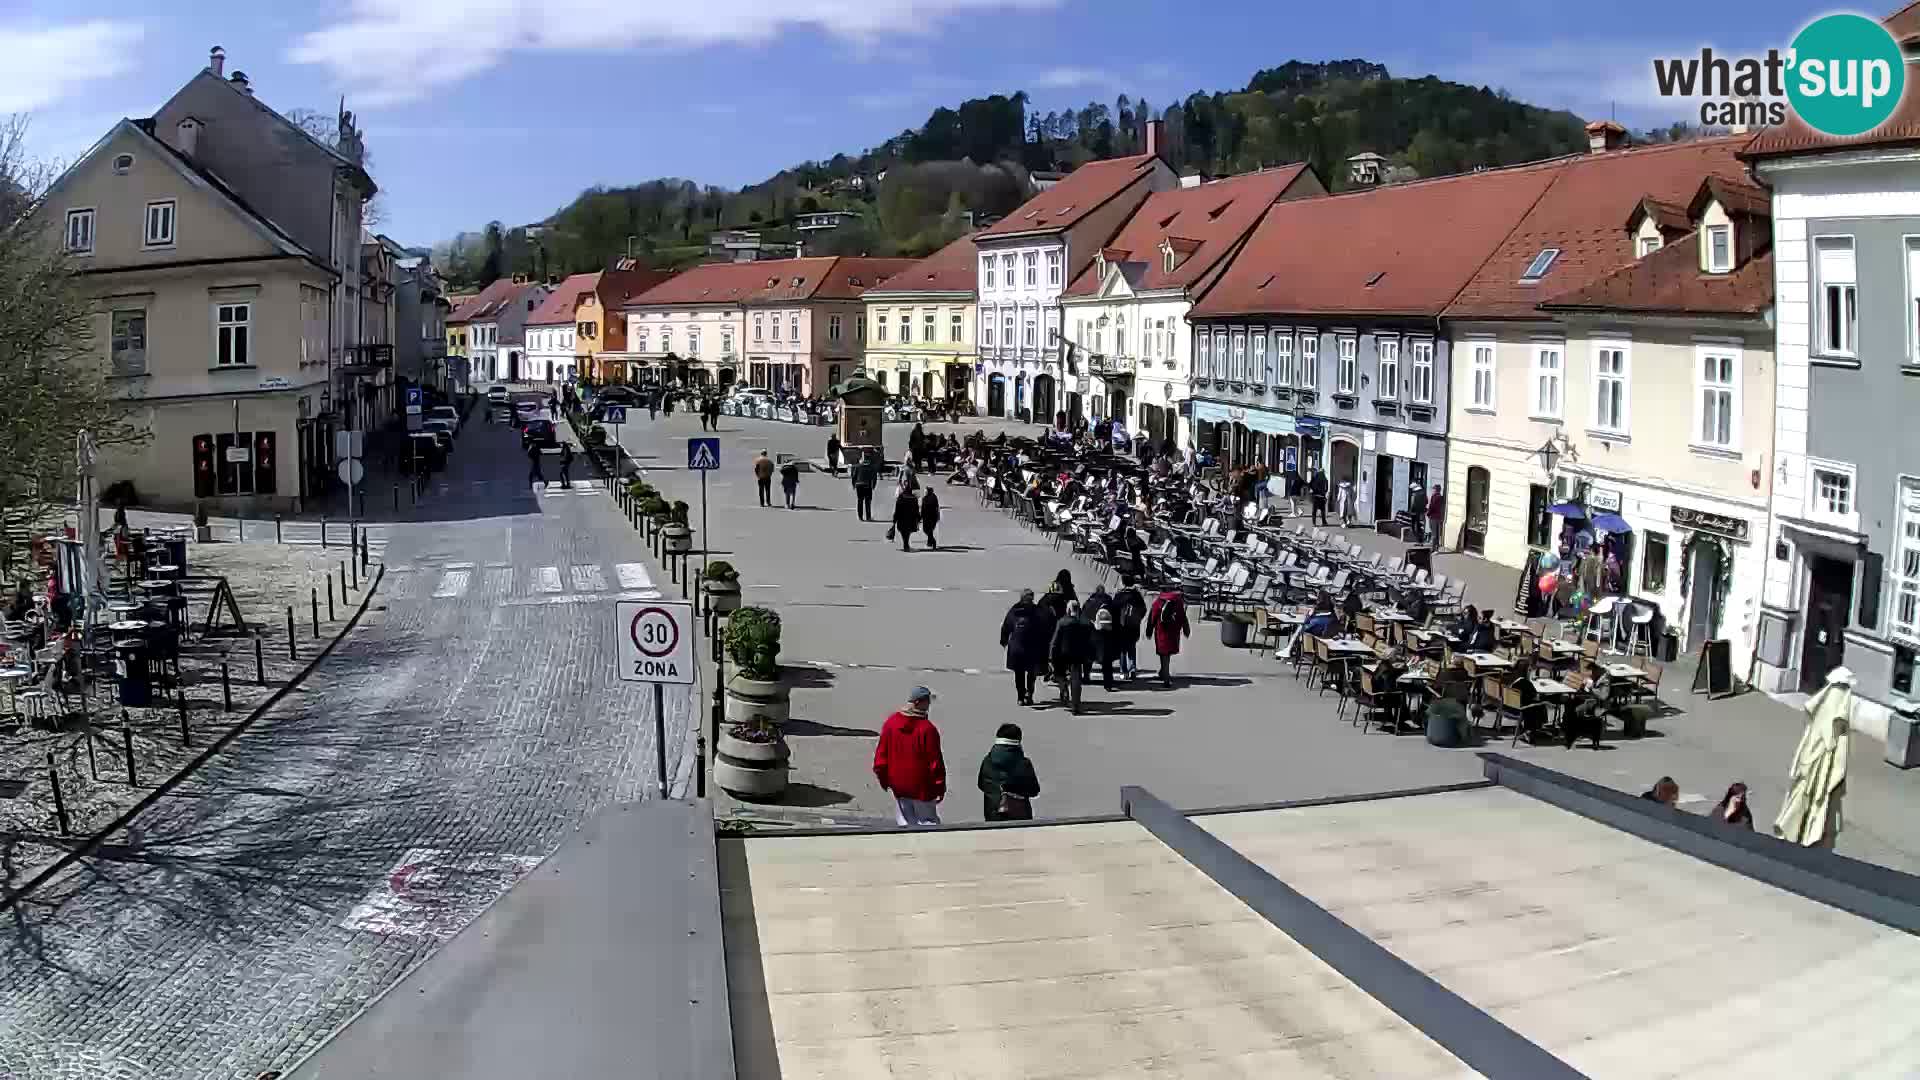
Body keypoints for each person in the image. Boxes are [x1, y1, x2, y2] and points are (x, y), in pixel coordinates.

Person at [873, 687, 946, 826]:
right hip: (923, 789)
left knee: (905, 824)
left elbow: (881, 758)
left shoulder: (891, 723)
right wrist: (940, 787)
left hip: (899, 787)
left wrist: (885, 780)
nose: (929, 705)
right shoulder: (927, 729)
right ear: (918, 702)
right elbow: (935, 763)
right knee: (928, 824)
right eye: (927, 701)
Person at [978, 723, 1041, 821]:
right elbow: (1034, 790)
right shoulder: (1024, 763)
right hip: (1020, 816)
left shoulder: (987, 761)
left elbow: (981, 785)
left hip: (993, 815)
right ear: (1018, 741)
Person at [1000, 589, 1051, 705]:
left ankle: (1021, 697)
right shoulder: (1038, 611)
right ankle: (1028, 693)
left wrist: (1004, 640)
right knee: (1031, 673)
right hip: (1032, 647)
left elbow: (1006, 626)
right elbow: (1046, 627)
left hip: (1017, 647)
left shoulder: (1014, 610)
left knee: (1019, 673)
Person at [1049, 601, 1094, 714]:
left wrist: (1051, 655)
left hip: (1063, 654)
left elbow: (1055, 641)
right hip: (1078, 654)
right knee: (1076, 679)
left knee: (1059, 673)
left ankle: (1063, 688)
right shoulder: (1086, 623)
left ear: (1068, 610)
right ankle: (1075, 705)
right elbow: (1092, 640)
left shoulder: (1062, 622)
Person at [1145, 586, 1191, 688]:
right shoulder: (1178, 602)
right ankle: (1163, 672)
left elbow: (1152, 618)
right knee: (1167, 654)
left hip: (1161, 631)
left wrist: (1149, 631)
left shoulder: (1158, 602)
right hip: (1173, 632)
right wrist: (1186, 630)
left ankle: (1166, 677)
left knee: (1164, 654)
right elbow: (1183, 617)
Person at [1111, 577, 1146, 681]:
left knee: (1122, 649)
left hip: (1122, 626)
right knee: (1132, 647)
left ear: (1123, 583)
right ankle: (1132, 669)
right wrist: (1138, 619)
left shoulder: (1119, 595)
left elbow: (1113, 609)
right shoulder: (1137, 595)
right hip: (1134, 626)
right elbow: (1143, 609)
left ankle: (1123, 671)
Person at [891, 484, 921, 551]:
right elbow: (916, 510)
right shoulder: (914, 498)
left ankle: (906, 544)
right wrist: (918, 518)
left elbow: (897, 509)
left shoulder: (901, 497)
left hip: (901, 519)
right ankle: (906, 544)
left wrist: (895, 519)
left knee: (903, 532)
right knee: (908, 532)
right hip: (911, 519)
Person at [851, 451, 879, 521]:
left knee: (860, 500)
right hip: (867, 485)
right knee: (867, 501)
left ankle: (860, 517)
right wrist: (874, 485)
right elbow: (874, 477)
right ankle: (868, 517)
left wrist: (853, 484)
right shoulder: (871, 467)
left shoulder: (858, 466)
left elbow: (854, 476)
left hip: (859, 485)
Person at [1427, 483, 1445, 550]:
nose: (1433, 490)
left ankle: (1433, 548)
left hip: (1433, 517)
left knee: (1434, 533)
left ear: (1435, 490)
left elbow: (1432, 506)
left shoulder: (1434, 497)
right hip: (1439, 517)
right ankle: (1437, 547)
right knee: (1437, 533)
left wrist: (1428, 513)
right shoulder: (1441, 497)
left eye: (1433, 489)